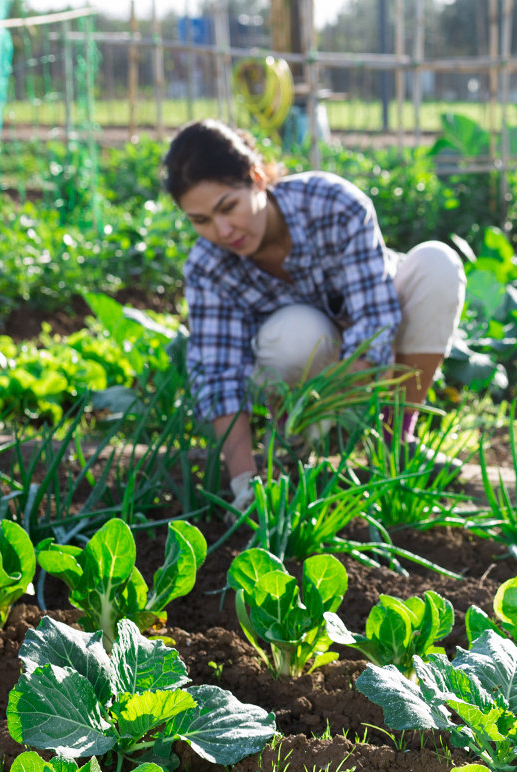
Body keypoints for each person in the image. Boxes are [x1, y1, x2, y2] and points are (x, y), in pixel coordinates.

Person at [162, 118, 466, 509]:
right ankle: (297, 442)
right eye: (201, 221)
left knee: (437, 264)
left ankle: (394, 445)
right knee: (297, 332)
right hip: (297, 381)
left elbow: (375, 323)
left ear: (256, 179)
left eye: (228, 207)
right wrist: (243, 482)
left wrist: (345, 399)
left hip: (371, 362)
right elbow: (219, 376)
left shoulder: (331, 203)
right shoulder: (209, 266)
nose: (222, 231)